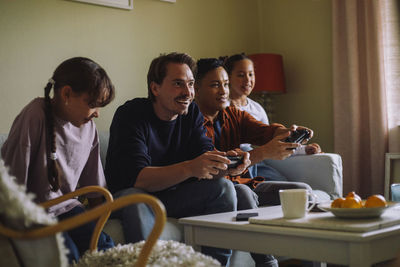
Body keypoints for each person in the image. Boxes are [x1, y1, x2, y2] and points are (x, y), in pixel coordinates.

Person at [105, 52, 249, 266]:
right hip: (130, 196)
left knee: (228, 189)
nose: (188, 92)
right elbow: (139, 179)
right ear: (155, 88)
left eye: (191, 84)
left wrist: (227, 164)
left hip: (172, 196)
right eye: (178, 84)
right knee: (138, 199)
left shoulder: (191, 114)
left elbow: (205, 157)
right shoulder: (131, 114)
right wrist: (191, 168)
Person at [194, 57, 316, 267]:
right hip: (217, 190)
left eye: (225, 84)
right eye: (215, 85)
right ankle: (268, 263)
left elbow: (264, 131)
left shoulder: (232, 114)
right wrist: (263, 153)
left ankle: (312, 261)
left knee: (303, 191)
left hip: (245, 184)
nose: (223, 91)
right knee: (243, 192)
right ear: (195, 89)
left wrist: (288, 133)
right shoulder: (189, 121)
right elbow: (219, 165)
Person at [1, 57, 116, 263]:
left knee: (106, 250)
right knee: (65, 253)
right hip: (33, 213)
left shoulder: (88, 128)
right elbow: (11, 183)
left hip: (68, 209)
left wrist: (95, 228)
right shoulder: (35, 115)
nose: (97, 114)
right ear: (66, 94)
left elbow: (94, 188)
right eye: (92, 104)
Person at [225, 53, 321, 180]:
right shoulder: (222, 107)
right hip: (236, 162)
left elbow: (272, 142)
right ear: (228, 78)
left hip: (258, 163)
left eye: (251, 74)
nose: (247, 80)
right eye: (241, 75)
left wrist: (303, 149)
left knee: (286, 186)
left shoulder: (257, 108)